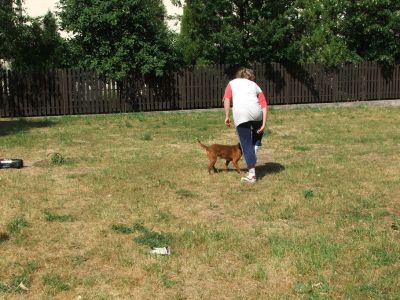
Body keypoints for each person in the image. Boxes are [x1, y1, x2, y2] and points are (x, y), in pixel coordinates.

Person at [222, 67, 268, 183]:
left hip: (241, 114)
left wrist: (227, 116)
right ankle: (255, 148)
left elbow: (227, 99)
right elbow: (264, 105)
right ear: (251, 77)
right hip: (257, 113)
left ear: (239, 76)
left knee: (246, 145)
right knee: (257, 134)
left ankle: (252, 175)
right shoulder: (255, 85)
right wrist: (263, 123)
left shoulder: (232, 83)